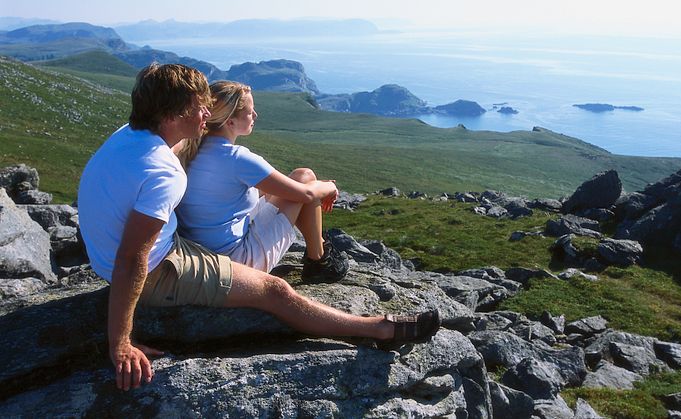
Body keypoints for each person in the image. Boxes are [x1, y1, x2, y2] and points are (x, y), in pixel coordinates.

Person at [77, 64, 440, 392]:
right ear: (174, 114)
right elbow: (133, 257)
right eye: (199, 108)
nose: (206, 114)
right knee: (275, 291)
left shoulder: (129, 135)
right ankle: (379, 328)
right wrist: (120, 342)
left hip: (132, 255)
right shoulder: (163, 172)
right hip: (159, 270)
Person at [175, 80, 346, 282]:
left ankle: (318, 254)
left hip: (200, 256)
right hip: (237, 262)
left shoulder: (190, 150)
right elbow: (306, 194)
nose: (255, 115)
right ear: (230, 122)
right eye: (249, 112)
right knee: (304, 177)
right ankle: (319, 260)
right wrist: (331, 187)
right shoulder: (236, 158)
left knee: (290, 185)